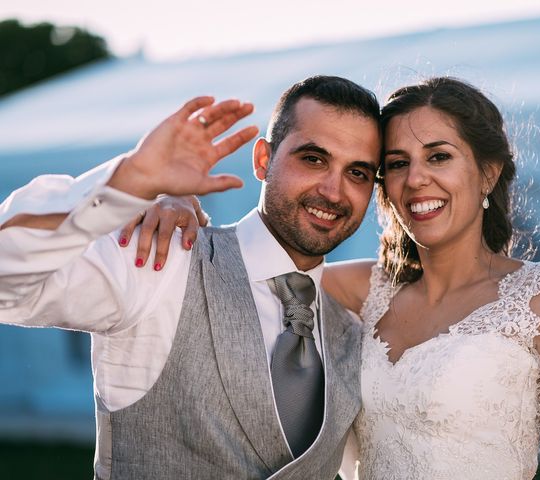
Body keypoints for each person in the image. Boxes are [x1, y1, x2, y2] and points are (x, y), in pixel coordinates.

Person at [141, 77, 540, 479]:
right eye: (397, 164)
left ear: (488, 173)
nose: (416, 179)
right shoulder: (358, 290)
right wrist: (177, 201)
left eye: (439, 157)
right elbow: (255, 264)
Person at [0, 75, 382, 479]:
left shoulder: (354, 330)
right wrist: (130, 181)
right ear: (262, 160)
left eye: (357, 173)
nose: (334, 191)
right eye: (313, 159)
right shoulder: (162, 255)